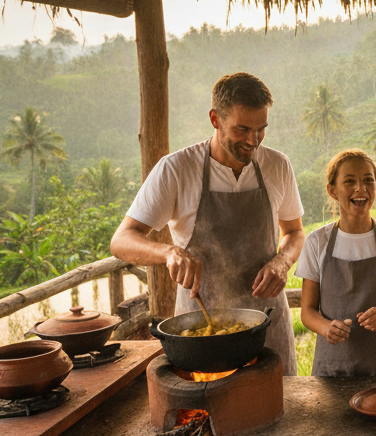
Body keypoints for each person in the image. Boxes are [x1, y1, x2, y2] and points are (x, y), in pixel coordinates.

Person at [110, 72, 305, 374]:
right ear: (215, 119)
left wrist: (283, 261)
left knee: (279, 400)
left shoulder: (278, 165)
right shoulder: (176, 170)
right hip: (202, 335)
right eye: (242, 129)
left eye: (261, 129)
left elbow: (294, 231)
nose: (253, 141)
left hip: (267, 325)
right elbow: (122, 240)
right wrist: (168, 252)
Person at [296, 149, 376, 377]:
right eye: (349, 181)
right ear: (332, 190)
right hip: (330, 369)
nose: (360, 188)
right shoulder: (316, 242)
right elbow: (307, 311)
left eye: (368, 180)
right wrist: (326, 328)